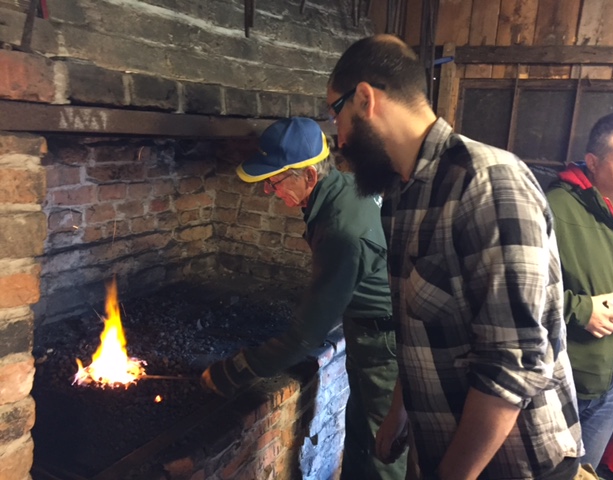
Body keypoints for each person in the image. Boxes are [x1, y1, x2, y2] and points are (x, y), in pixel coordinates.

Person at [327, 34, 584, 479]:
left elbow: (514, 363)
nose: (340, 137)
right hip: (444, 452)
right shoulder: (401, 194)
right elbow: (419, 328)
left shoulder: (487, 183)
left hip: (514, 465)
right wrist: (399, 413)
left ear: (365, 99)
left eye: (337, 114)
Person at [201, 117, 408, 480]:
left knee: (382, 449)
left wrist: (236, 370)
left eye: (275, 181)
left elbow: (306, 337)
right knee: (361, 432)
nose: (270, 191)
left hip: (383, 346)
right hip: (370, 331)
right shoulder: (345, 187)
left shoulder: (341, 230)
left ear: (310, 175)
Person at [546, 110, 613, 469]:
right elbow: (513, 290)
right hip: (557, 385)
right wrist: (581, 310)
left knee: (584, 473)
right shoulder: (553, 208)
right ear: (593, 162)